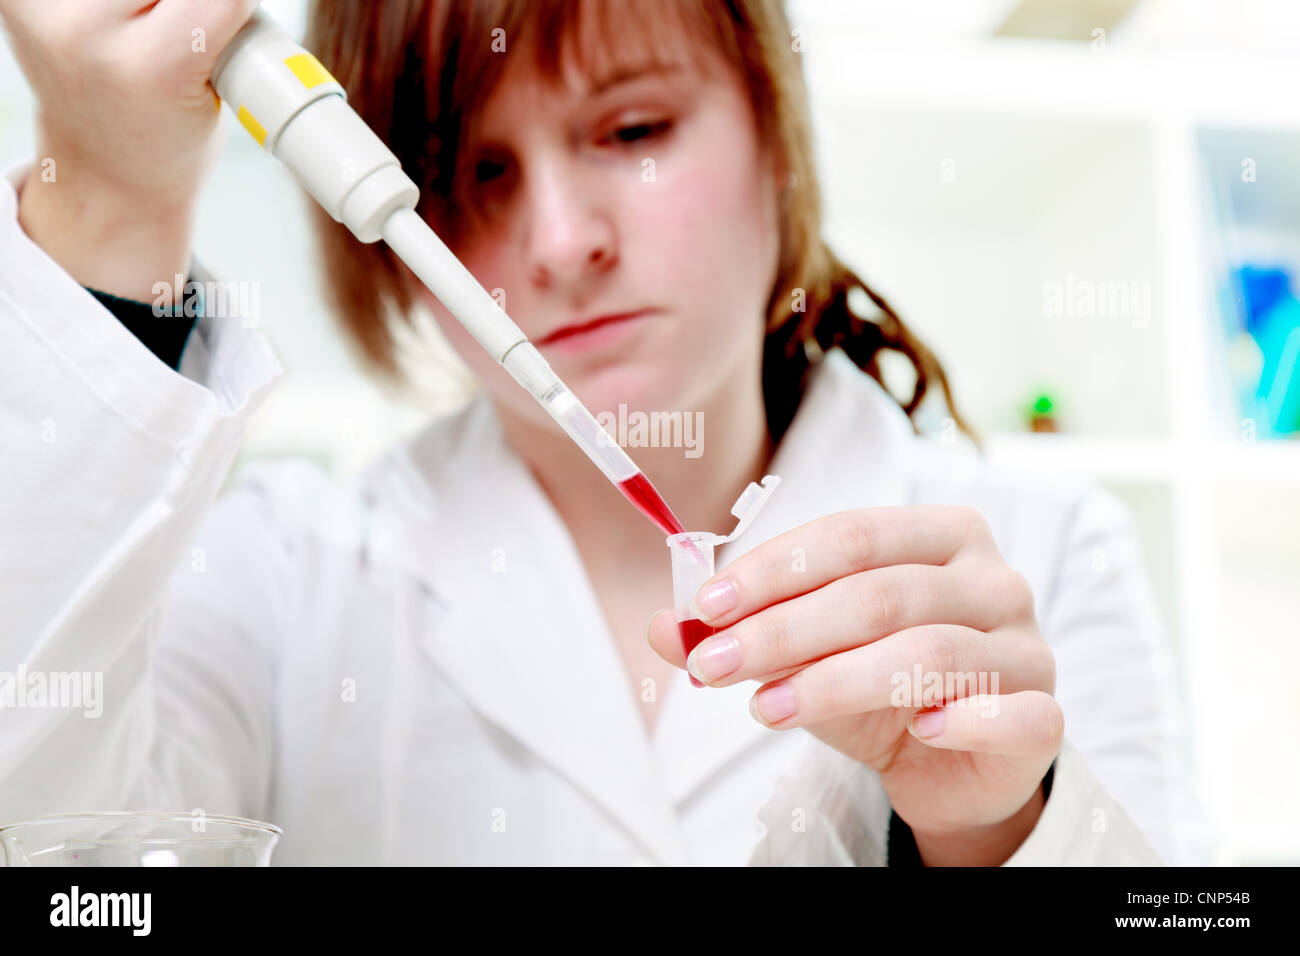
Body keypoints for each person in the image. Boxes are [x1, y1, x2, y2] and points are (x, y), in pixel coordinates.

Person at [0, 0, 1211, 865]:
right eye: (475, 170)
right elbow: (66, 856)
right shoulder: (279, 573)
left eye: (632, 132)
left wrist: (996, 831)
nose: (559, 241)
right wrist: (111, 196)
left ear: (771, 133)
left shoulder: (1049, 548)